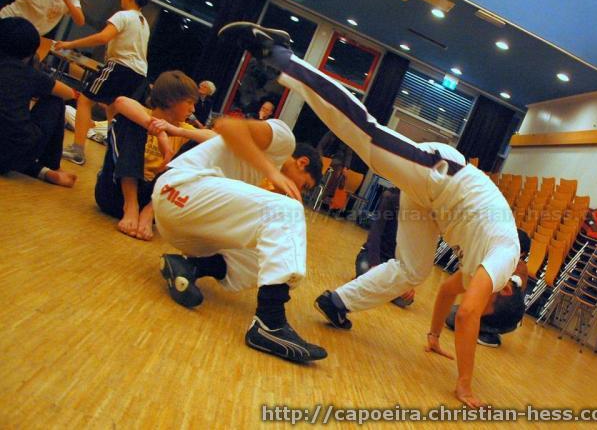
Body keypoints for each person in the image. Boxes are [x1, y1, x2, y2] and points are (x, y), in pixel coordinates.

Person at [218, 22, 521, 407]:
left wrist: (433, 337)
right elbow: (467, 315)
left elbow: (448, 293)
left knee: (414, 270)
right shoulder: (504, 256)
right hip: (442, 175)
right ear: (505, 289)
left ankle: (337, 302)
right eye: (487, 308)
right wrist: (464, 384)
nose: (475, 307)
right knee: (369, 136)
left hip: (432, 203)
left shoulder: (490, 270)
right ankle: (279, 54)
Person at [151, 112, 326, 363]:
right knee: (287, 210)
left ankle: (190, 266)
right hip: (179, 190)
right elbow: (226, 126)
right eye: (304, 185)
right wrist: (272, 172)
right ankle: (270, 323)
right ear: (302, 162)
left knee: (269, 256)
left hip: (185, 227)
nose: (299, 191)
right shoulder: (284, 139)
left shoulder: (255, 172)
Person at [95, 71, 216, 241]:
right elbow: (121, 102)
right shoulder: (142, 112)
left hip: (151, 197)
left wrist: (175, 131)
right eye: (189, 102)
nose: (193, 109)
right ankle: (130, 205)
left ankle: (148, 212)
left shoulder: (181, 127)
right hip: (113, 193)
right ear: (171, 100)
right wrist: (159, 133)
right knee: (131, 122)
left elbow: (217, 140)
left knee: (201, 144)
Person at [56, 0, 151, 166]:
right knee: (113, 111)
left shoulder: (123, 15)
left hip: (120, 66)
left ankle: (77, 150)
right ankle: (113, 160)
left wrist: (69, 44)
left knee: (85, 100)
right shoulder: (143, 22)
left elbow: (103, 37)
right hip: (138, 73)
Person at [0, 16, 77, 187]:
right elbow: (69, 93)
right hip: (12, 154)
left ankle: (40, 171)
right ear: (30, 52)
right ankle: (52, 167)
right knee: (55, 100)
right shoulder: (29, 74)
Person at [444, 229, 531, 347]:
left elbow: (515, 284)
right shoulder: (497, 258)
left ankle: (490, 335)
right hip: (483, 307)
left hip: (500, 315)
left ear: (522, 253)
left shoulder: (521, 268)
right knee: (449, 314)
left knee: (459, 317)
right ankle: (477, 329)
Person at [355, 187, 415, 307]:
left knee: (405, 300)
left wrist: (409, 282)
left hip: (393, 265)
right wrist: (375, 265)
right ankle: (380, 287)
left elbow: (412, 250)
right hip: (372, 258)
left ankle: (373, 286)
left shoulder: (420, 210)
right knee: (366, 271)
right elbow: (375, 234)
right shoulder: (391, 198)